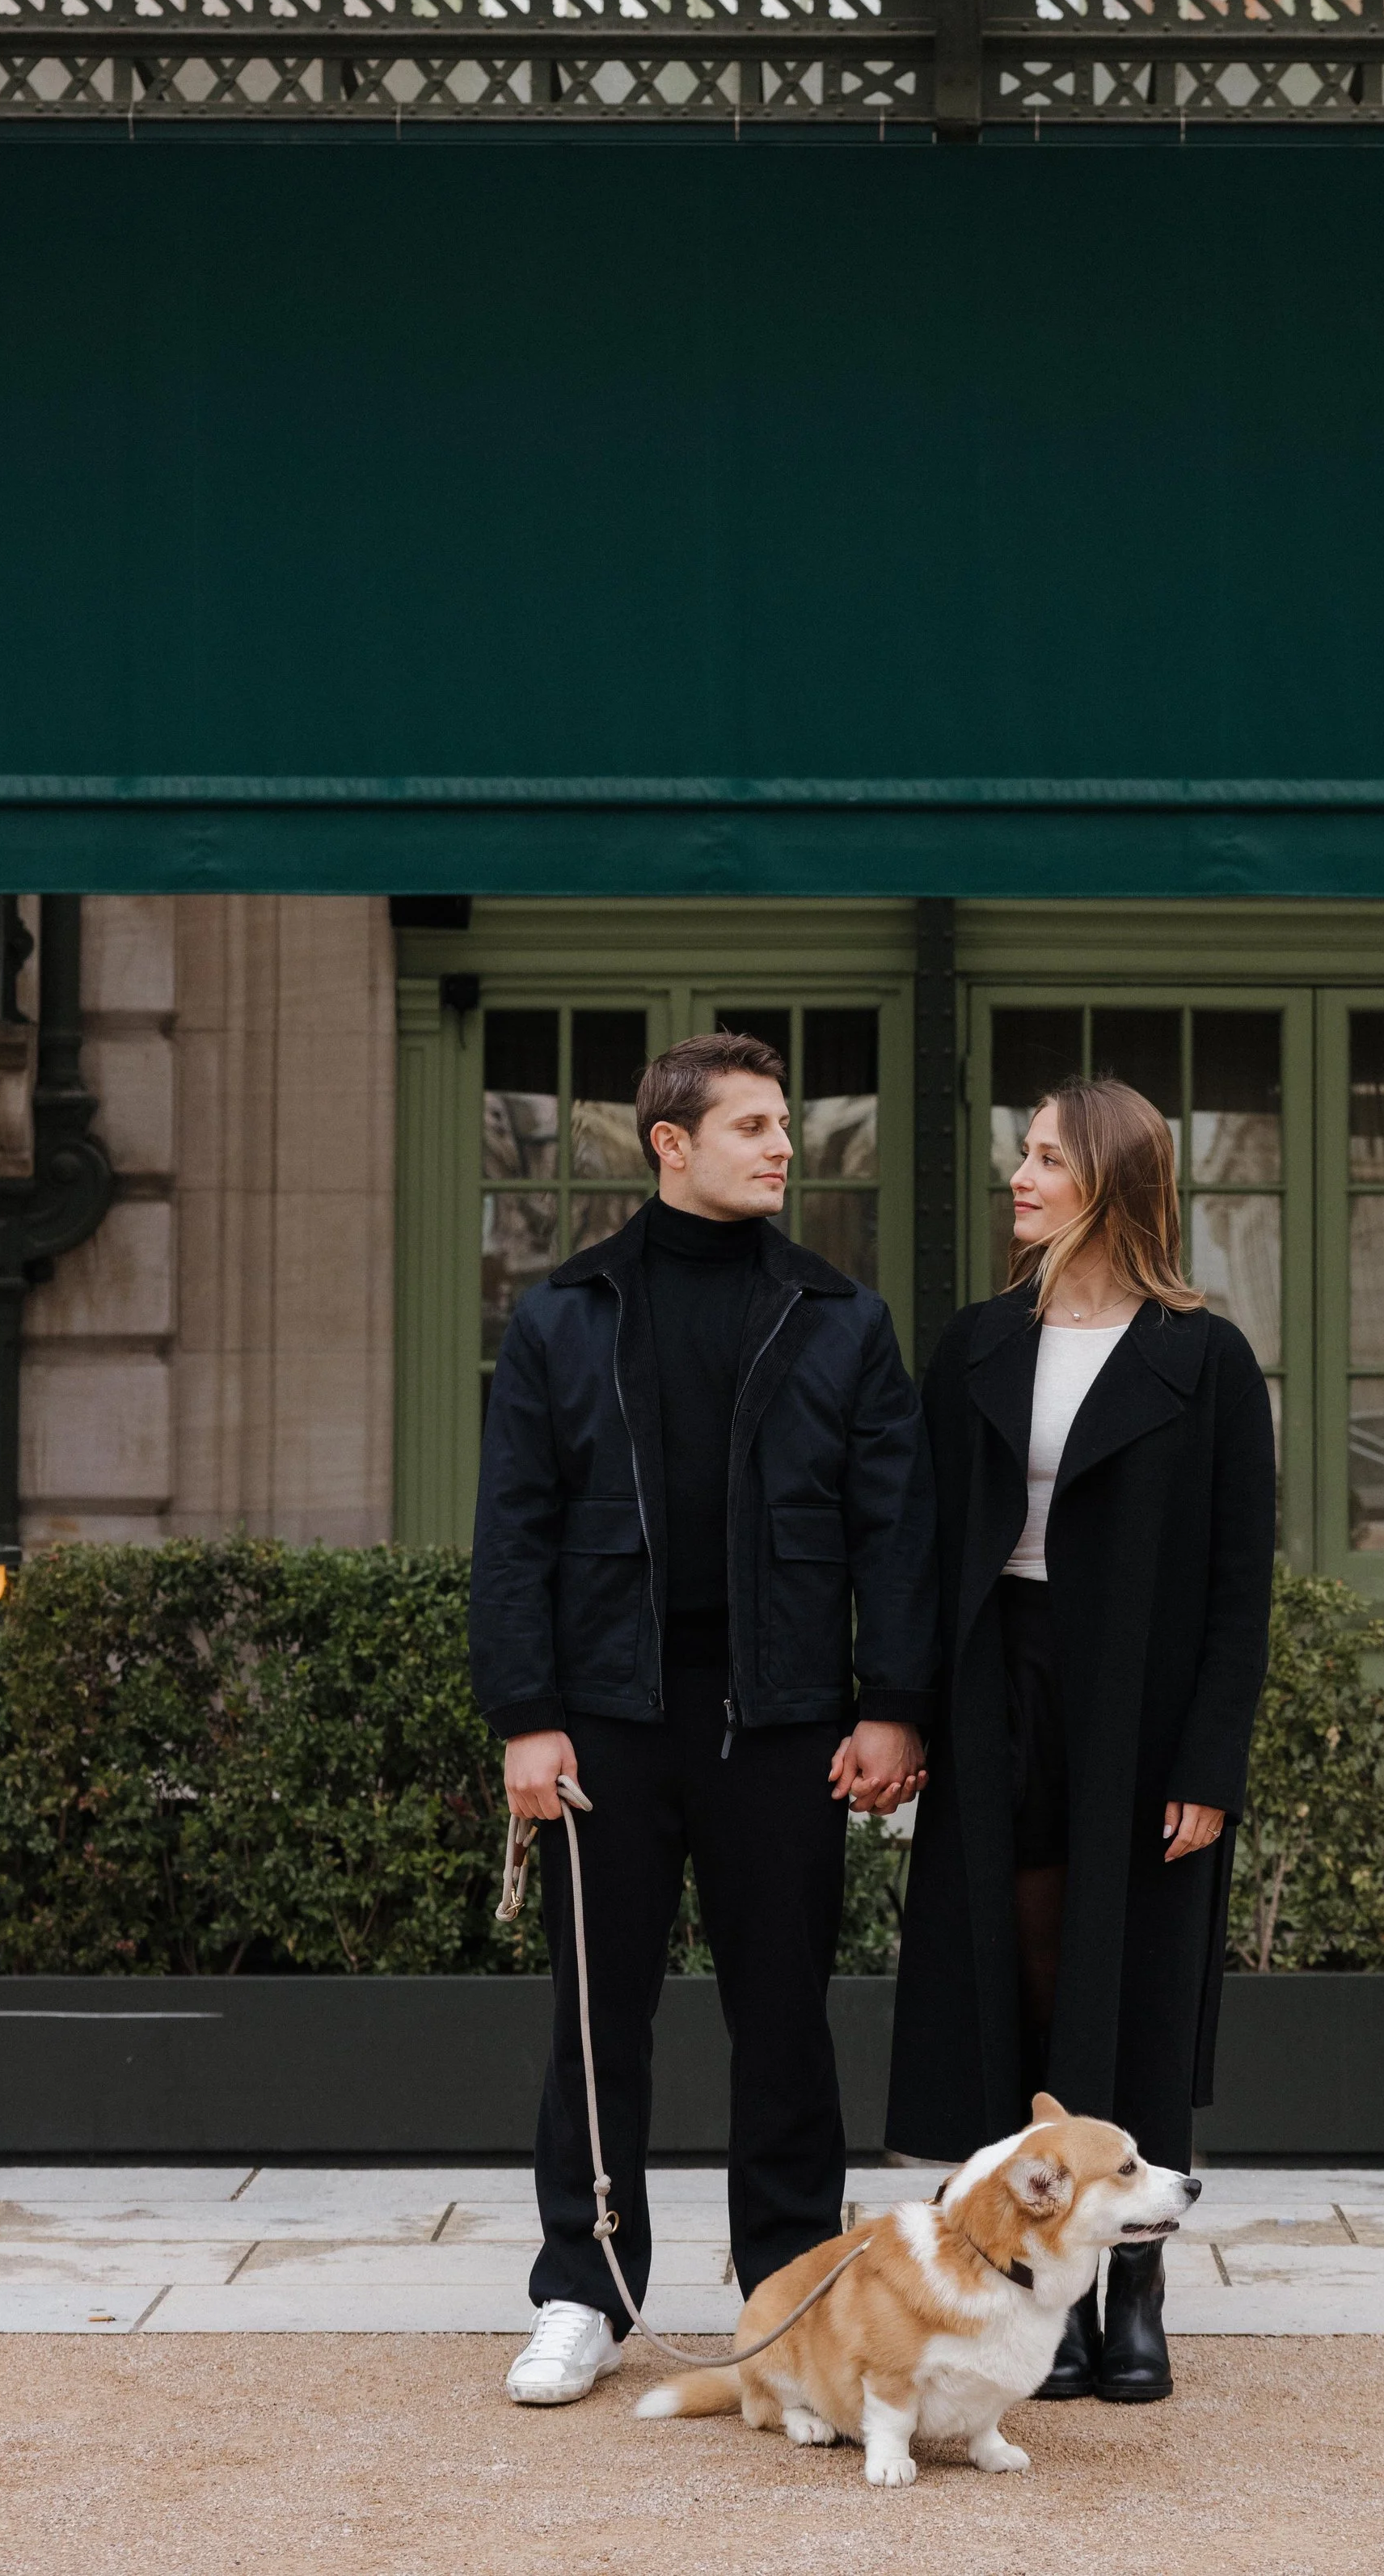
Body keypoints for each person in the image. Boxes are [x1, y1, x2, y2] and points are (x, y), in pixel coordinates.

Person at [471, 1030, 935, 2407]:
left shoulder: (840, 1317)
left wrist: (895, 1706)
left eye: (786, 1123)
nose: (784, 1145)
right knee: (597, 2021)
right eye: (753, 1126)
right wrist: (525, 1715)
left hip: (786, 1724)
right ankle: (584, 2290)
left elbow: (893, 1533)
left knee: (786, 2018)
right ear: (670, 1144)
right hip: (604, 1727)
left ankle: (789, 2296)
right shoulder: (564, 1314)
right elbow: (514, 1534)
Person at [886, 1075, 1274, 2406]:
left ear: (1111, 1179)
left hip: (1145, 1707)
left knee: (1140, 1984)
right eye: (1023, 1155)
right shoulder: (981, 1342)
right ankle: (1024, 2282)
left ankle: (1140, 2283)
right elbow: (926, 1543)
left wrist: (1209, 1764)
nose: (1021, 1176)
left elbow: (1239, 1583)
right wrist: (906, 1706)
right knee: (1023, 1980)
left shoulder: (1203, 1357)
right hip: (1001, 1683)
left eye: (1047, 1157)